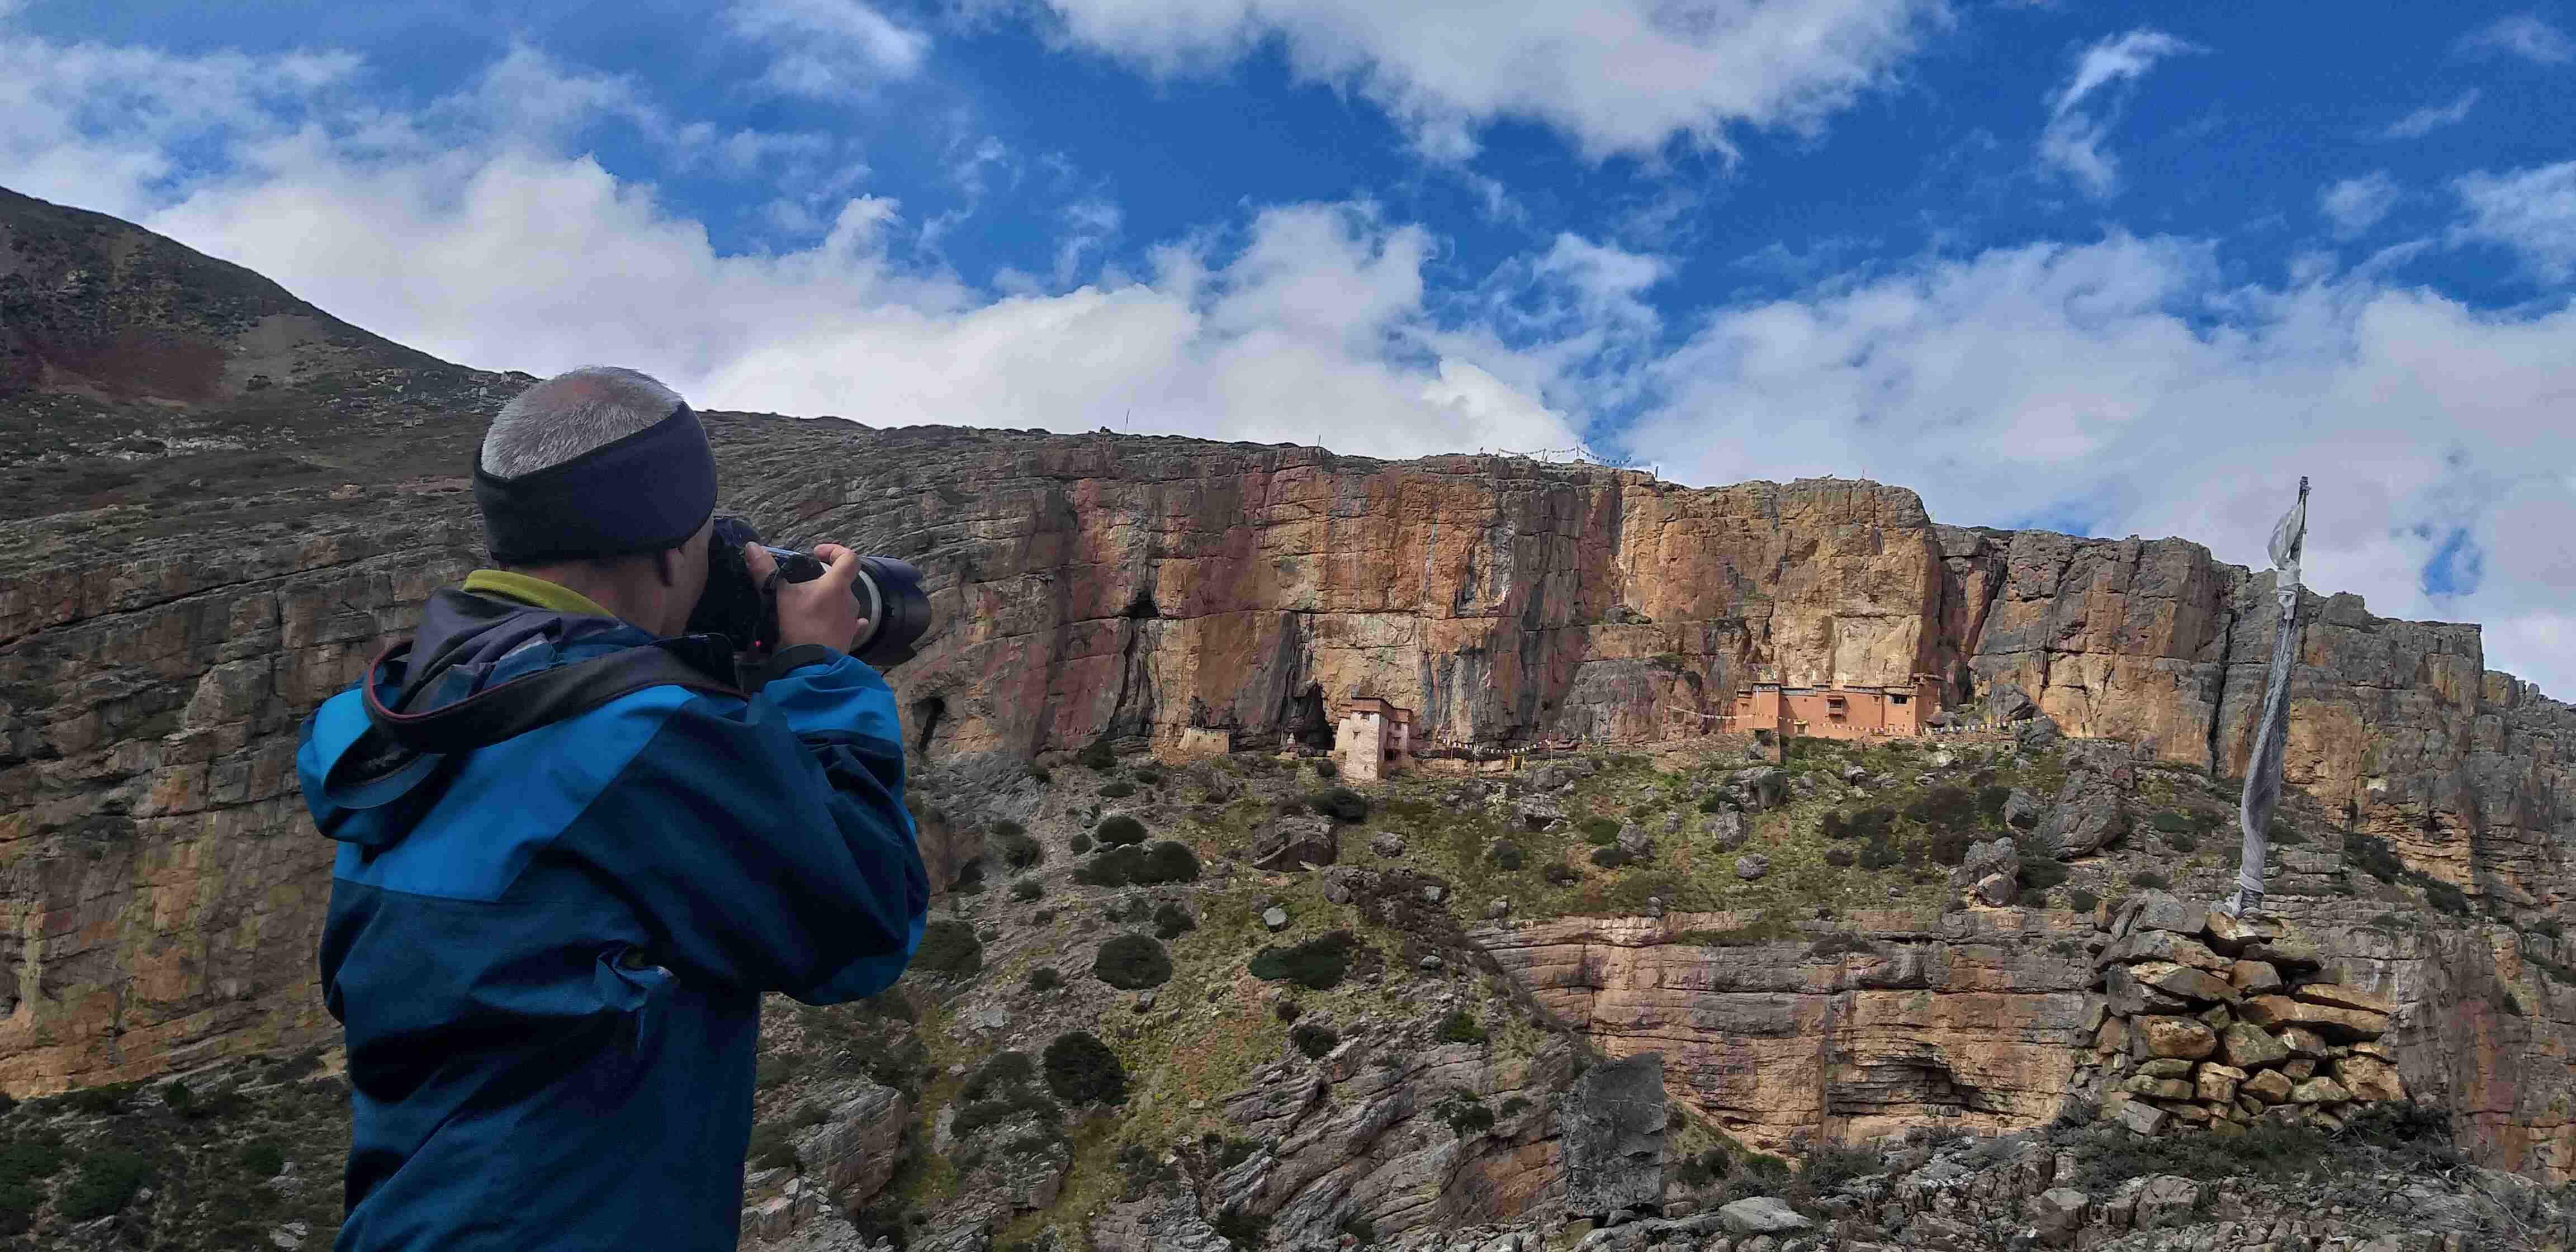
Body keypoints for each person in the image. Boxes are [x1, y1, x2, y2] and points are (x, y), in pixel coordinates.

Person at [293, 365, 928, 1250]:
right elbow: (864, 928)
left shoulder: (407, 710)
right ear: (673, 551)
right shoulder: (630, 735)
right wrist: (817, 673)